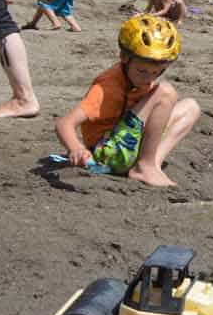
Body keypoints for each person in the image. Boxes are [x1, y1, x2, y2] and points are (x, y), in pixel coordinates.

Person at [53, 15, 200, 187]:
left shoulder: (141, 79)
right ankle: (145, 167)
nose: (148, 78)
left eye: (156, 73)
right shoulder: (107, 87)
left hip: (127, 145)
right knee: (166, 92)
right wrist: (76, 148)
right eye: (142, 71)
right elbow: (64, 123)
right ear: (124, 57)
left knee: (191, 107)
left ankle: (152, 164)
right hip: (107, 154)